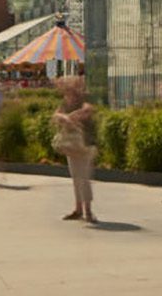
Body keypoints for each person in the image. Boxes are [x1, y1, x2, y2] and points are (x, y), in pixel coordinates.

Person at [53, 77, 97, 223]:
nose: (67, 95)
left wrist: (72, 116)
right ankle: (78, 210)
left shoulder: (83, 100)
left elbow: (88, 110)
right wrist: (63, 117)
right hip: (72, 145)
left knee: (84, 178)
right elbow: (56, 115)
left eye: (69, 91)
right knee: (76, 177)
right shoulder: (65, 103)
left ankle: (88, 210)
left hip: (85, 144)